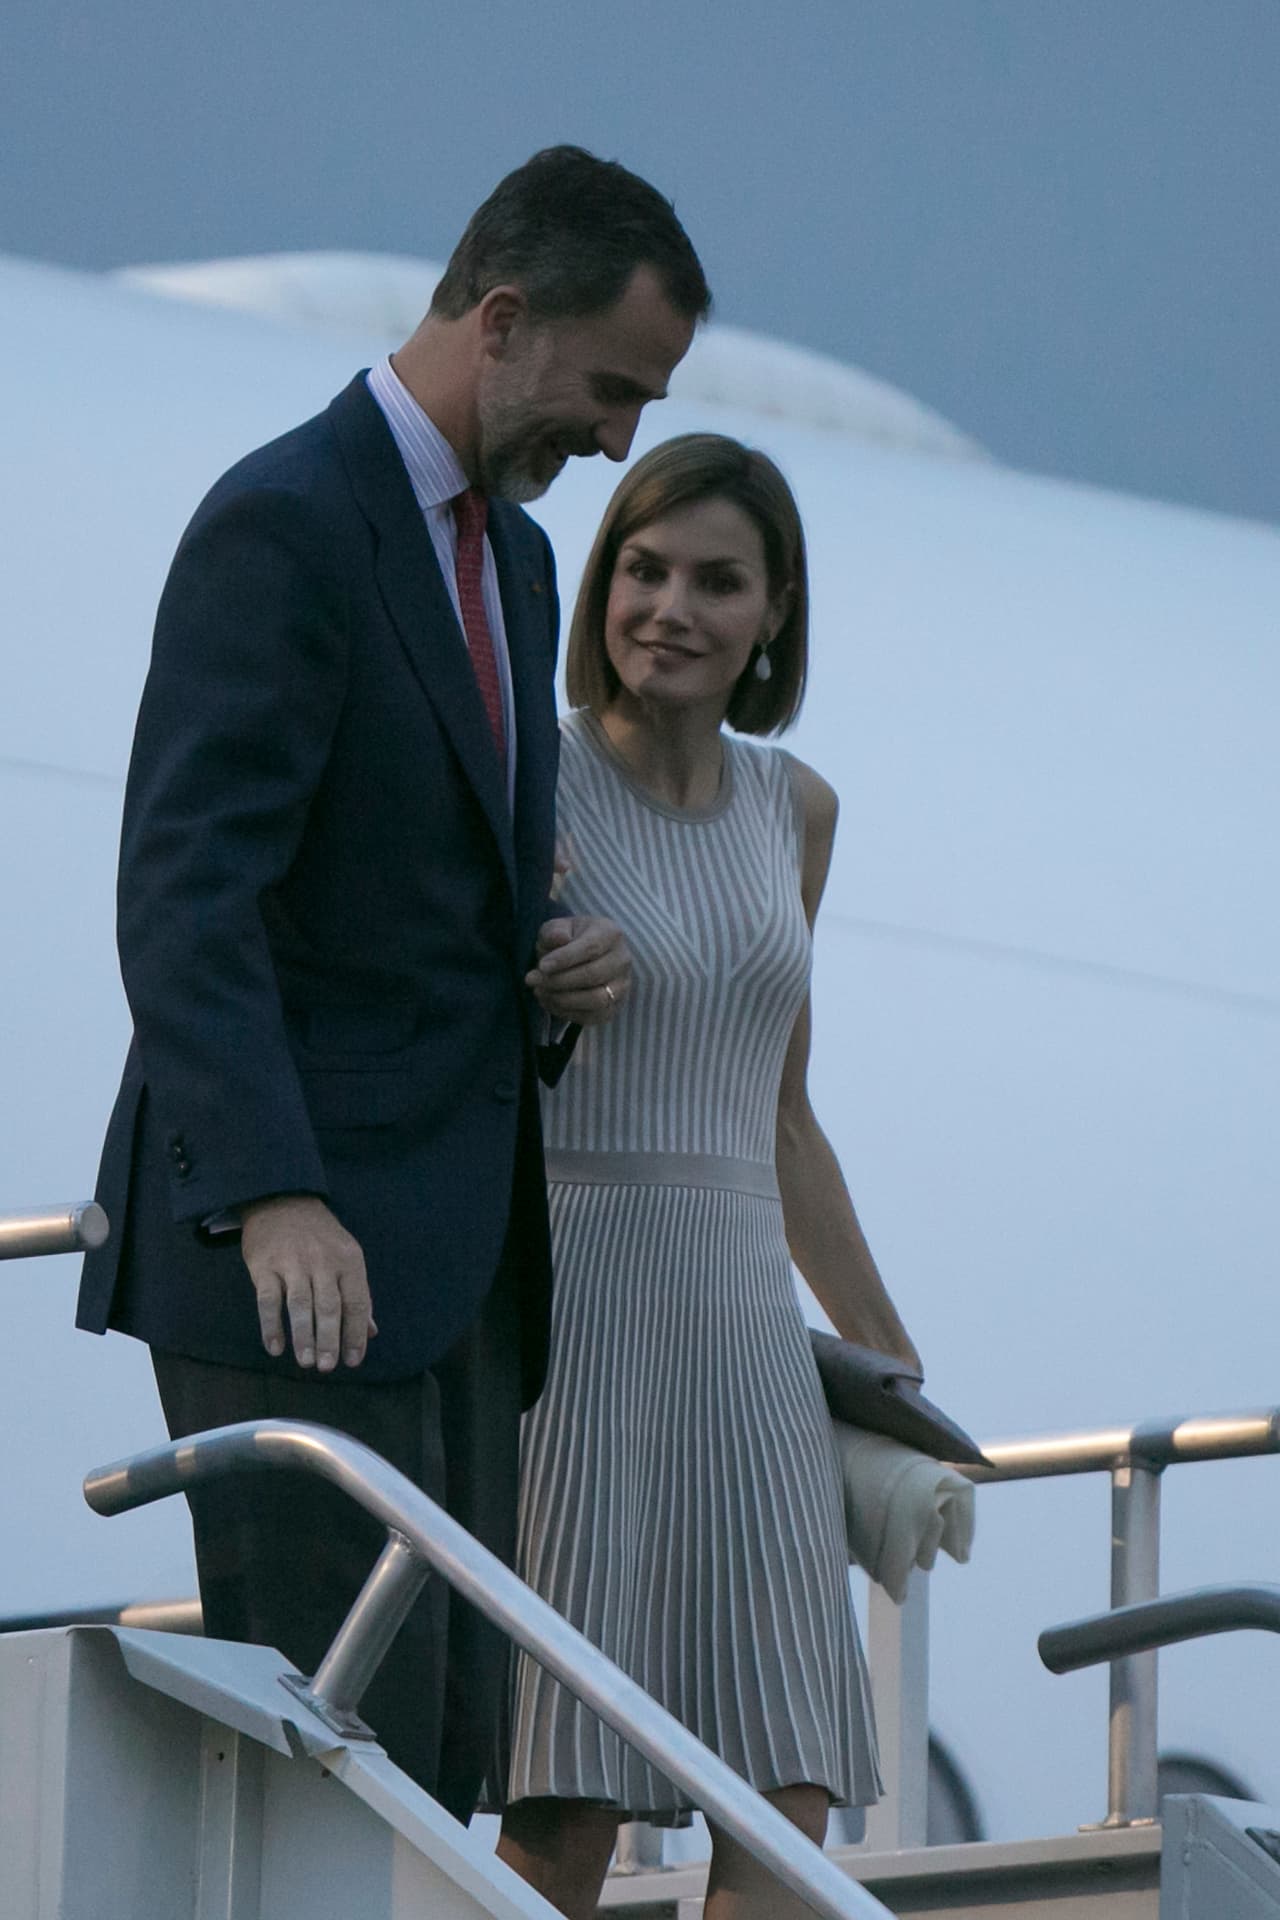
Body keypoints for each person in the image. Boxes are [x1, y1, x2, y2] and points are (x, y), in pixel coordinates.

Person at [76, 146, 710, 1822]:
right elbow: (188, 887)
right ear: (502, 320)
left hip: (454, 1271)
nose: (622, 441)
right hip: (296, 1263)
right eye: (612, 389)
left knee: (442, 1760)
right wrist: (274, 1189)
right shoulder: (287, 520)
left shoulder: (508, 561)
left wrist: (548, 968)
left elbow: (414, 894)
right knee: (334, 1778)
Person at [497, 433, 922, 1920]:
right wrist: (530, 989)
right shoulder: (521, 767)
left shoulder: (794, 808)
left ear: (774, 612)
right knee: (567, 1799)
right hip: (576, 1306)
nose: (669, 607)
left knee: (787, 1789)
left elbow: (786, 1114)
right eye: (642, 567)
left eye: (716, 580)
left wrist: (886, 1353)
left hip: (744, 1321)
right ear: (602, 581)